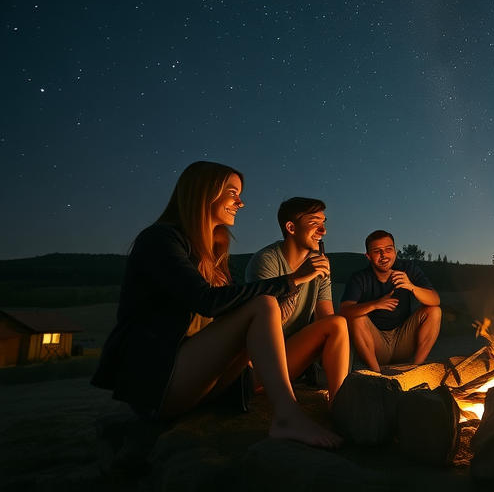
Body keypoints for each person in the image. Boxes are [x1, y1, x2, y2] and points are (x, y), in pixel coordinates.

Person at [91, 161, 343, 447]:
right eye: (232, 193)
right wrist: (292, 280)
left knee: (272, 308)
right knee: (263, 304)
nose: (241, 203)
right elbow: (206, 301)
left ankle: (326, 403)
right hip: (160, 382)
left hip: (205, 382)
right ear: (204, 192)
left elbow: (232, 312)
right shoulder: (159, 239)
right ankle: (286, 416)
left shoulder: (214, 250)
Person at [245, 197, 350, 402]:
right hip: (258, 361)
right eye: (314, 222)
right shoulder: (267, 261)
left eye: (323, 223)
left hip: (290, 357)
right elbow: (264, 325)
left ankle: (338, 401)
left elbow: (327, 321)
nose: (323, 230)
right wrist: (300, 277)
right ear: (291, 227)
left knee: (338, 323)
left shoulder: (319, 264)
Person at [337, 230, 441, 372]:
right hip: (376, 345)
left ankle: (415, 368)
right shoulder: (360, 278)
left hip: (403, 340)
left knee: (434, 311)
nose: (384, 255)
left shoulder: (407, 269)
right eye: (377, 251)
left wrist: (411, 287)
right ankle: (377, 374)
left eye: (388, 249)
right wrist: (375, 304)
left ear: (395, 251)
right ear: (368, 256)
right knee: (357, 317)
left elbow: (435, 299)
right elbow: (344, 312)